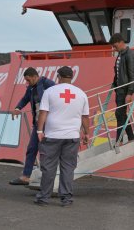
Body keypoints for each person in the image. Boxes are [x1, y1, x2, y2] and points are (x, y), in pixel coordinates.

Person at [34, 66, 89, 207]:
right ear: (72, 77)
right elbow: (85, 117)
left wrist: (40, 131)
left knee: (48, 168)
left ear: (58, 76)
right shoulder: (81, 94)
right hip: (72, 137)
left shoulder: (49, 92)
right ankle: (66, 199)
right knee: (68, 168)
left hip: (52, 136)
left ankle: (44, 198)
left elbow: (43, 112)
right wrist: (86, 133)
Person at [9, 67, 55, 185]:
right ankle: (26, 176)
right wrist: (17, 108)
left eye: (28, 80)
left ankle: (48, 177)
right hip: (38, 124)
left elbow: (58, 99)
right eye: (26, 80)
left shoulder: (48, 84)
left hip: (50, 124)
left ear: (35, 76)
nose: (27, 83)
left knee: (47, 151)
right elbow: (25, 99)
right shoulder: (30, 88)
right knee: (32, 149)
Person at [109, 33, 134, 145]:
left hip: (125, 90)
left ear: (121, 42)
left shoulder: (129, 54)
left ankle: (119, 140)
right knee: (121, 114)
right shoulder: (121, 54)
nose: (114, 48)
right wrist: (115, 83)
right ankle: (130, 137)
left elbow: (132, 75)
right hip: (119, 89)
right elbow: (118, 72)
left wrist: (130, 93)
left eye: (115, 46)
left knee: (120, 113)